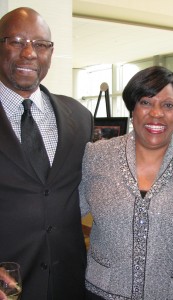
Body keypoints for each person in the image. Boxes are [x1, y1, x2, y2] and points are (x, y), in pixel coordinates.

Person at [80, 66, 173, 300]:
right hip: (103, 290)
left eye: (168, 105)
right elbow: (62, 217)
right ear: (133, 107)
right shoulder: (96, 156)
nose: (156, 113)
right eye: (146, 102)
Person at [0, 7, 93, 300]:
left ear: (50, 53)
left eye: (40, 45)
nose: (29, 53)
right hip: (8, 285)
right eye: (16, 41)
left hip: (69, 282)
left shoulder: (79, 117)